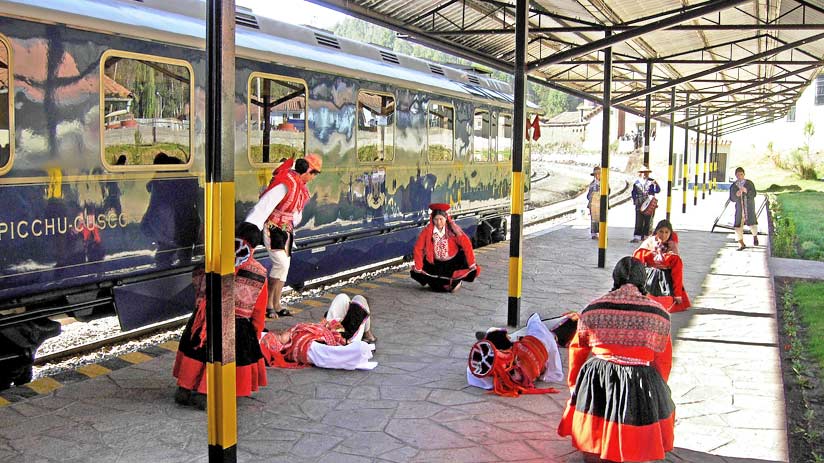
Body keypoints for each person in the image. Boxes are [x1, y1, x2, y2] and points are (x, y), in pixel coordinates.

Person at [558, 256, 675, 463]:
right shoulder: (659, 313)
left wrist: (575, 382)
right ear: (643, 280)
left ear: (616, 278)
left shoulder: (594, 308)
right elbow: (663, 358)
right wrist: (658, 386)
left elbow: (578, 348)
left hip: (600, 375)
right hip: (639, 378)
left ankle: (597, 449)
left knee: (599, 416)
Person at [172, 222, 268, 409]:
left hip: (203, 319)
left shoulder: (212, 259)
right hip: (235, 325)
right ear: (255, 245)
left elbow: (198, 285)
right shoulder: (259, 272)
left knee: (197, 350)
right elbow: (258, 310)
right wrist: (255, 333)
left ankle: (184, 388)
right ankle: (205, 392)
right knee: (223, 356)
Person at [243, 154, 322, 319]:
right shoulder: (285, 184)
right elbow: (265, 205)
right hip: (273, 227)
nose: (314, 177)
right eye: (314, 173)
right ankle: (269, 304)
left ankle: (276, 303)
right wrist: (250, 227)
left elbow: (295, 213)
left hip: (285, 229)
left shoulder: (299, 186)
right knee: (281, 264)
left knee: (284, 266)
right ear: (307, 170)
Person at [258, 293, 377, 370]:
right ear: (278, 346)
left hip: (328, 327)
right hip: (344, 337)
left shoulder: (295, 337)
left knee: (342, 297)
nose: (280, 333)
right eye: (278, 336)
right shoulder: (302, 346)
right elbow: (335, 353)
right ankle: (367, 334)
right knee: (360, 300)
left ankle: (367, 333)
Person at [411, 203, 480, 292]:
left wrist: (471, 263)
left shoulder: (453, 230)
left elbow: (467, 245)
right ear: (432, 219)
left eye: (441, 219)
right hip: (436, 264)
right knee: (436, 289)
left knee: (452, 289)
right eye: (436, 219)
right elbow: (418, 248)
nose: (438, 222)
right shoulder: (427, 231)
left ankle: (457, 282)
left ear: (446, 218)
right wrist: (419, 266)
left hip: (452, 264)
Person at [633, 219, 691, 313]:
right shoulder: (648, 245)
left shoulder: (673, 252)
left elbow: (677, 275)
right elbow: (637, 264)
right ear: (656, 232)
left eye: (666, 232)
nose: (663, 235)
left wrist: (677, 295)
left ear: (670, 233)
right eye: (661, 231)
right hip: (649, 278)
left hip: (666, 281)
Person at [730, 166, 759, 250]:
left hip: (749, 207)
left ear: (744, 174)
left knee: (752, 223)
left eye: (741, 174)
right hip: (739, 209)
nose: (739, 176)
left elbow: (754, 194)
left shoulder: (749, 183)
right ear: (736, 175)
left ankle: (755, 236)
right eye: (738, 175)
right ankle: (741, 243)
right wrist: (736, 195)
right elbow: (732, 198)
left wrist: (746, 191)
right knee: (738, 226)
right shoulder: (734, 186)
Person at [630, 165, 660, 243]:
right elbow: (633, 192)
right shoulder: (636, 183)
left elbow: (657, 190)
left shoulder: (652, 181)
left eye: (646, 172)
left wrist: (655, 185)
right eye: (643, 172)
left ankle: (646, 236)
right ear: (640, 173)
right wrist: (635, 200)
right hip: (639, 203)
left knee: (648, 220)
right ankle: (637, 236)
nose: (645, 174)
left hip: (649, 203)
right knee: (638, 220)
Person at [586, 166, 601, 240]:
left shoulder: (604, 183)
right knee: (593, 219)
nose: (597, 176)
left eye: (599, 174)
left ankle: (601, 233)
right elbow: (588, 195)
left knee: (602, 219)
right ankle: (594, 233)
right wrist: (592, 197)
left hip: (601, 204)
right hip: (593, 204)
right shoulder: (592, 184)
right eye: (596, 174)